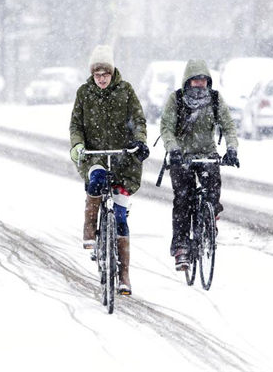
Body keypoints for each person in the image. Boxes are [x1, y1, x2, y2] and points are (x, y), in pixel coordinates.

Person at [69, 45, 149, 296]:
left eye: (105, 74)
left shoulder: (126, 92)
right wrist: (78, 145)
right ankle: (89, 226)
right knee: (96, 181)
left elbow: (138, 120)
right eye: (97, 75)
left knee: (121, 219)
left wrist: (140, 141)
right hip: (95, 156)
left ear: (112, 73)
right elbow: (76, 125)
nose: (101, 79)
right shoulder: (84, 94)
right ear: (92, 75)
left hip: (123, 159)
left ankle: (124, 275)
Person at [160, 59, 239, 271]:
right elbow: (166, 128)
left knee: (213, 193)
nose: (199, 84)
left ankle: (209, 220)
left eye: (203, 80)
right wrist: (173, 149)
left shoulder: (214, 99)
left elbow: (229, 126)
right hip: (182, 156)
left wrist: (232, 149)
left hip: (207, 155)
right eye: (195, 80)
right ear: (187, 81)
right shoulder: (176, 99)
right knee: (183, 200)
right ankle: (181, 247)